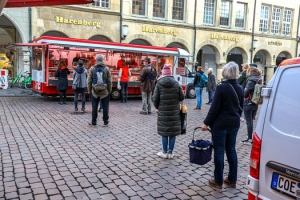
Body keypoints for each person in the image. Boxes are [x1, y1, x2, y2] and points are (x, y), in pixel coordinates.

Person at [201, 61, 244, 189]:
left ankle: (218, 181)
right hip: (234, 123)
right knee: (231, 150)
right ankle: (232, 179)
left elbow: (214, 109)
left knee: (219, 150)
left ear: (225, 72)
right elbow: (241, 107)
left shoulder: (221, 87)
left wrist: (206, 123)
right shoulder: (240, 88)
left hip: (220, 124)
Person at [153, 64, 185, 159]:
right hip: (174, 112)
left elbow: (155, 99)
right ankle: (170, 153)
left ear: (163, 73)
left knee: (164, 131)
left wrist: (157, 107)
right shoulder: (176, 83)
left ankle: (164, 152)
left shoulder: (159, 83)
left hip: (163, 111)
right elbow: (182, 97)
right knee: (172, 132)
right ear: (170, 73)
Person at [87, 54, 112, 127]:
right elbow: (109, 81)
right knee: (105, 107)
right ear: (103, 60)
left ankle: (94, 122)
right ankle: (105, 122)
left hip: (95, 91)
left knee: (94, 107)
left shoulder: (92, 68)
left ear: (96, 60)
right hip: (104, 91)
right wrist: (109, 90)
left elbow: (89, 80)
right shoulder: (107, 68)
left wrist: (89, 90)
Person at [240, 66, 261, 145]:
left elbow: (246, 92)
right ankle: (251, 137)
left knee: (249, 122)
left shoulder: (251, 80)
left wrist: (243, 94)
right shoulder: (259, 79)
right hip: (255, 102)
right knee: (251, 120)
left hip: (248, 102)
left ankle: (249, 139)